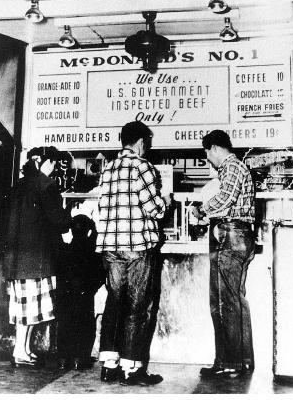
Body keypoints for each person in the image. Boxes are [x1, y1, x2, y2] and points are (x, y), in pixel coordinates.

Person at [96, 121, 168, 386]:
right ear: (140, 142)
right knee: (137, 307)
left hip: (110, 248)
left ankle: (108, 365)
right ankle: (131, 370)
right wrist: (165, 202)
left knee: (114, 303)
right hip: (137, 247)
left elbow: (103, 205)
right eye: (146, 143)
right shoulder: (143, 167)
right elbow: (153, 208)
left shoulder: (108, 168)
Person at [193, 130, 256, 378]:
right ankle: (243, 360)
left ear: (216, 148)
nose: (209, 159)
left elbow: (225, 199)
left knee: (222, 302)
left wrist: (201, 210)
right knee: (236, 301)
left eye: (208, 153)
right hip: (241, 236)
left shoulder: (231, 167)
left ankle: (228, 362)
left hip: (229, 235)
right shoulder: (239, 167)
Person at [3, 146, 72, 368]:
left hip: (16, 259)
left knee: (25, 310)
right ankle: (20, 351)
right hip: (36, 259)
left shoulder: (19, 185)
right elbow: (59, 221)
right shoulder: (45, 185)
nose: (53, 168)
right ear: (41, 162)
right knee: (30, 311)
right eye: (51, 163)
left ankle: (23, 349)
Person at [55, 214, 105, 370]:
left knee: (64, 324)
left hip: (66, 296)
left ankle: (63, 358)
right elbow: (100, 276)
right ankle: (79, 358)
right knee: (85, 325)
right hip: (84, 296)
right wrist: (89, 290)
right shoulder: (93, 254)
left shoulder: (64, 250)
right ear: (88, 230)